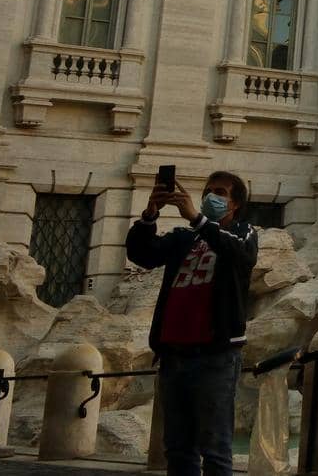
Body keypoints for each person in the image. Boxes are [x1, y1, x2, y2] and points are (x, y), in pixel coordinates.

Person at [127, 171, 259, 476]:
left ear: (235, 203)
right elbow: (142, 254)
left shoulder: (244, 232)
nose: (212, 196)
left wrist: (199, 219)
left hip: (216, 355)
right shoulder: (184, 238)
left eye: (221, 192)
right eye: (209, 190)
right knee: (177, 448)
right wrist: (150, 214)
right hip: (174, 354)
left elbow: (241, 255)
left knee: (215, 447)